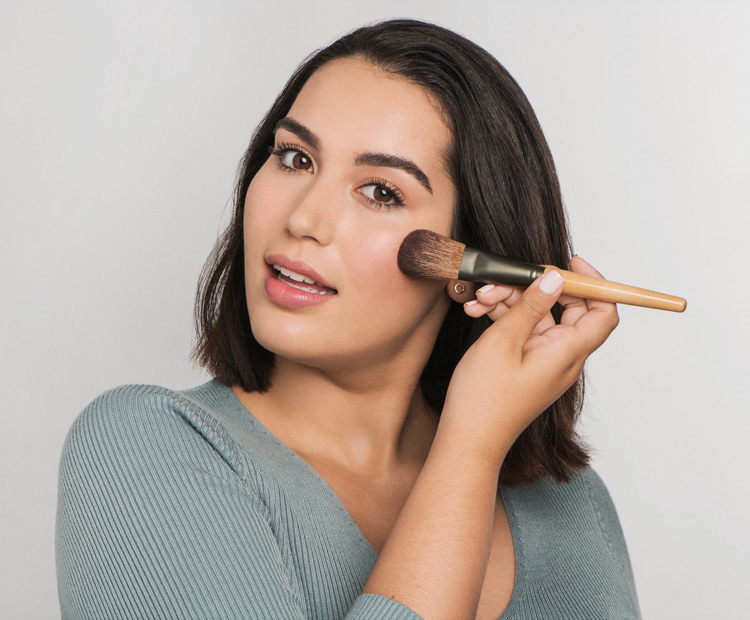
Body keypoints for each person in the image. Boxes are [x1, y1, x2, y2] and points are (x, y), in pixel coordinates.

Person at [56, 19, 640, 620]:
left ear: (468, 259)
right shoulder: (141, 450)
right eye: (294, 157)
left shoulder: (570, 506)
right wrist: (468, 450)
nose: (305, 217)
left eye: (381, 192)